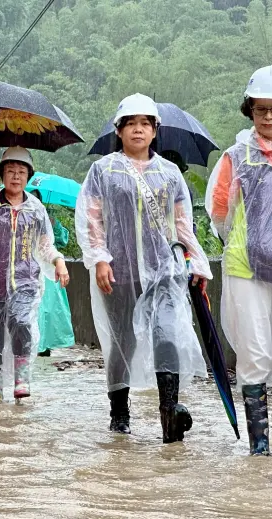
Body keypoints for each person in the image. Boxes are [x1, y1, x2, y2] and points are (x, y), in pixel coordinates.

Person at [76, 93, 212, 443]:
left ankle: (170, 412)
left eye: (145, 124)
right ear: (119, 130)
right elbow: (92, 219)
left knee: (167, 334)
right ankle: (119, 413)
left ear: (154, 131)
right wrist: (100, 258)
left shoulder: (169, 173)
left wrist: (197, 263)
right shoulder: (103, 170)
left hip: (164, 272)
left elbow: (182, 225)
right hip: (120, 272)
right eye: (131, 123)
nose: (138, 129)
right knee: (122, 341)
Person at [206, 65, 272, 455]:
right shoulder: (236, 157)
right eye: (261, 109)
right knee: (255, 354)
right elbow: (220, 212)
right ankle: (259, 447)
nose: (268, 117)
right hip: (247, 267)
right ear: (250, 110)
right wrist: (249, 241)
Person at [0, 147, 69, 404]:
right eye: (11, 171)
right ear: (2, 174)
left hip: (26, 283)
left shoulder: (36, 209)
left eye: (21, 172)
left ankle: (21, 379)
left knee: (22, 323)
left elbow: (45, 246)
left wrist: (58, 261)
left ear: (28, 176)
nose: (16, 176)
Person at [30, 189, 75, 357]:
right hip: (29, 267)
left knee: (48, 309)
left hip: (48, 269)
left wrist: (54, 224)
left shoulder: (48, 217)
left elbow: (62, 240)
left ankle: (44, 344)